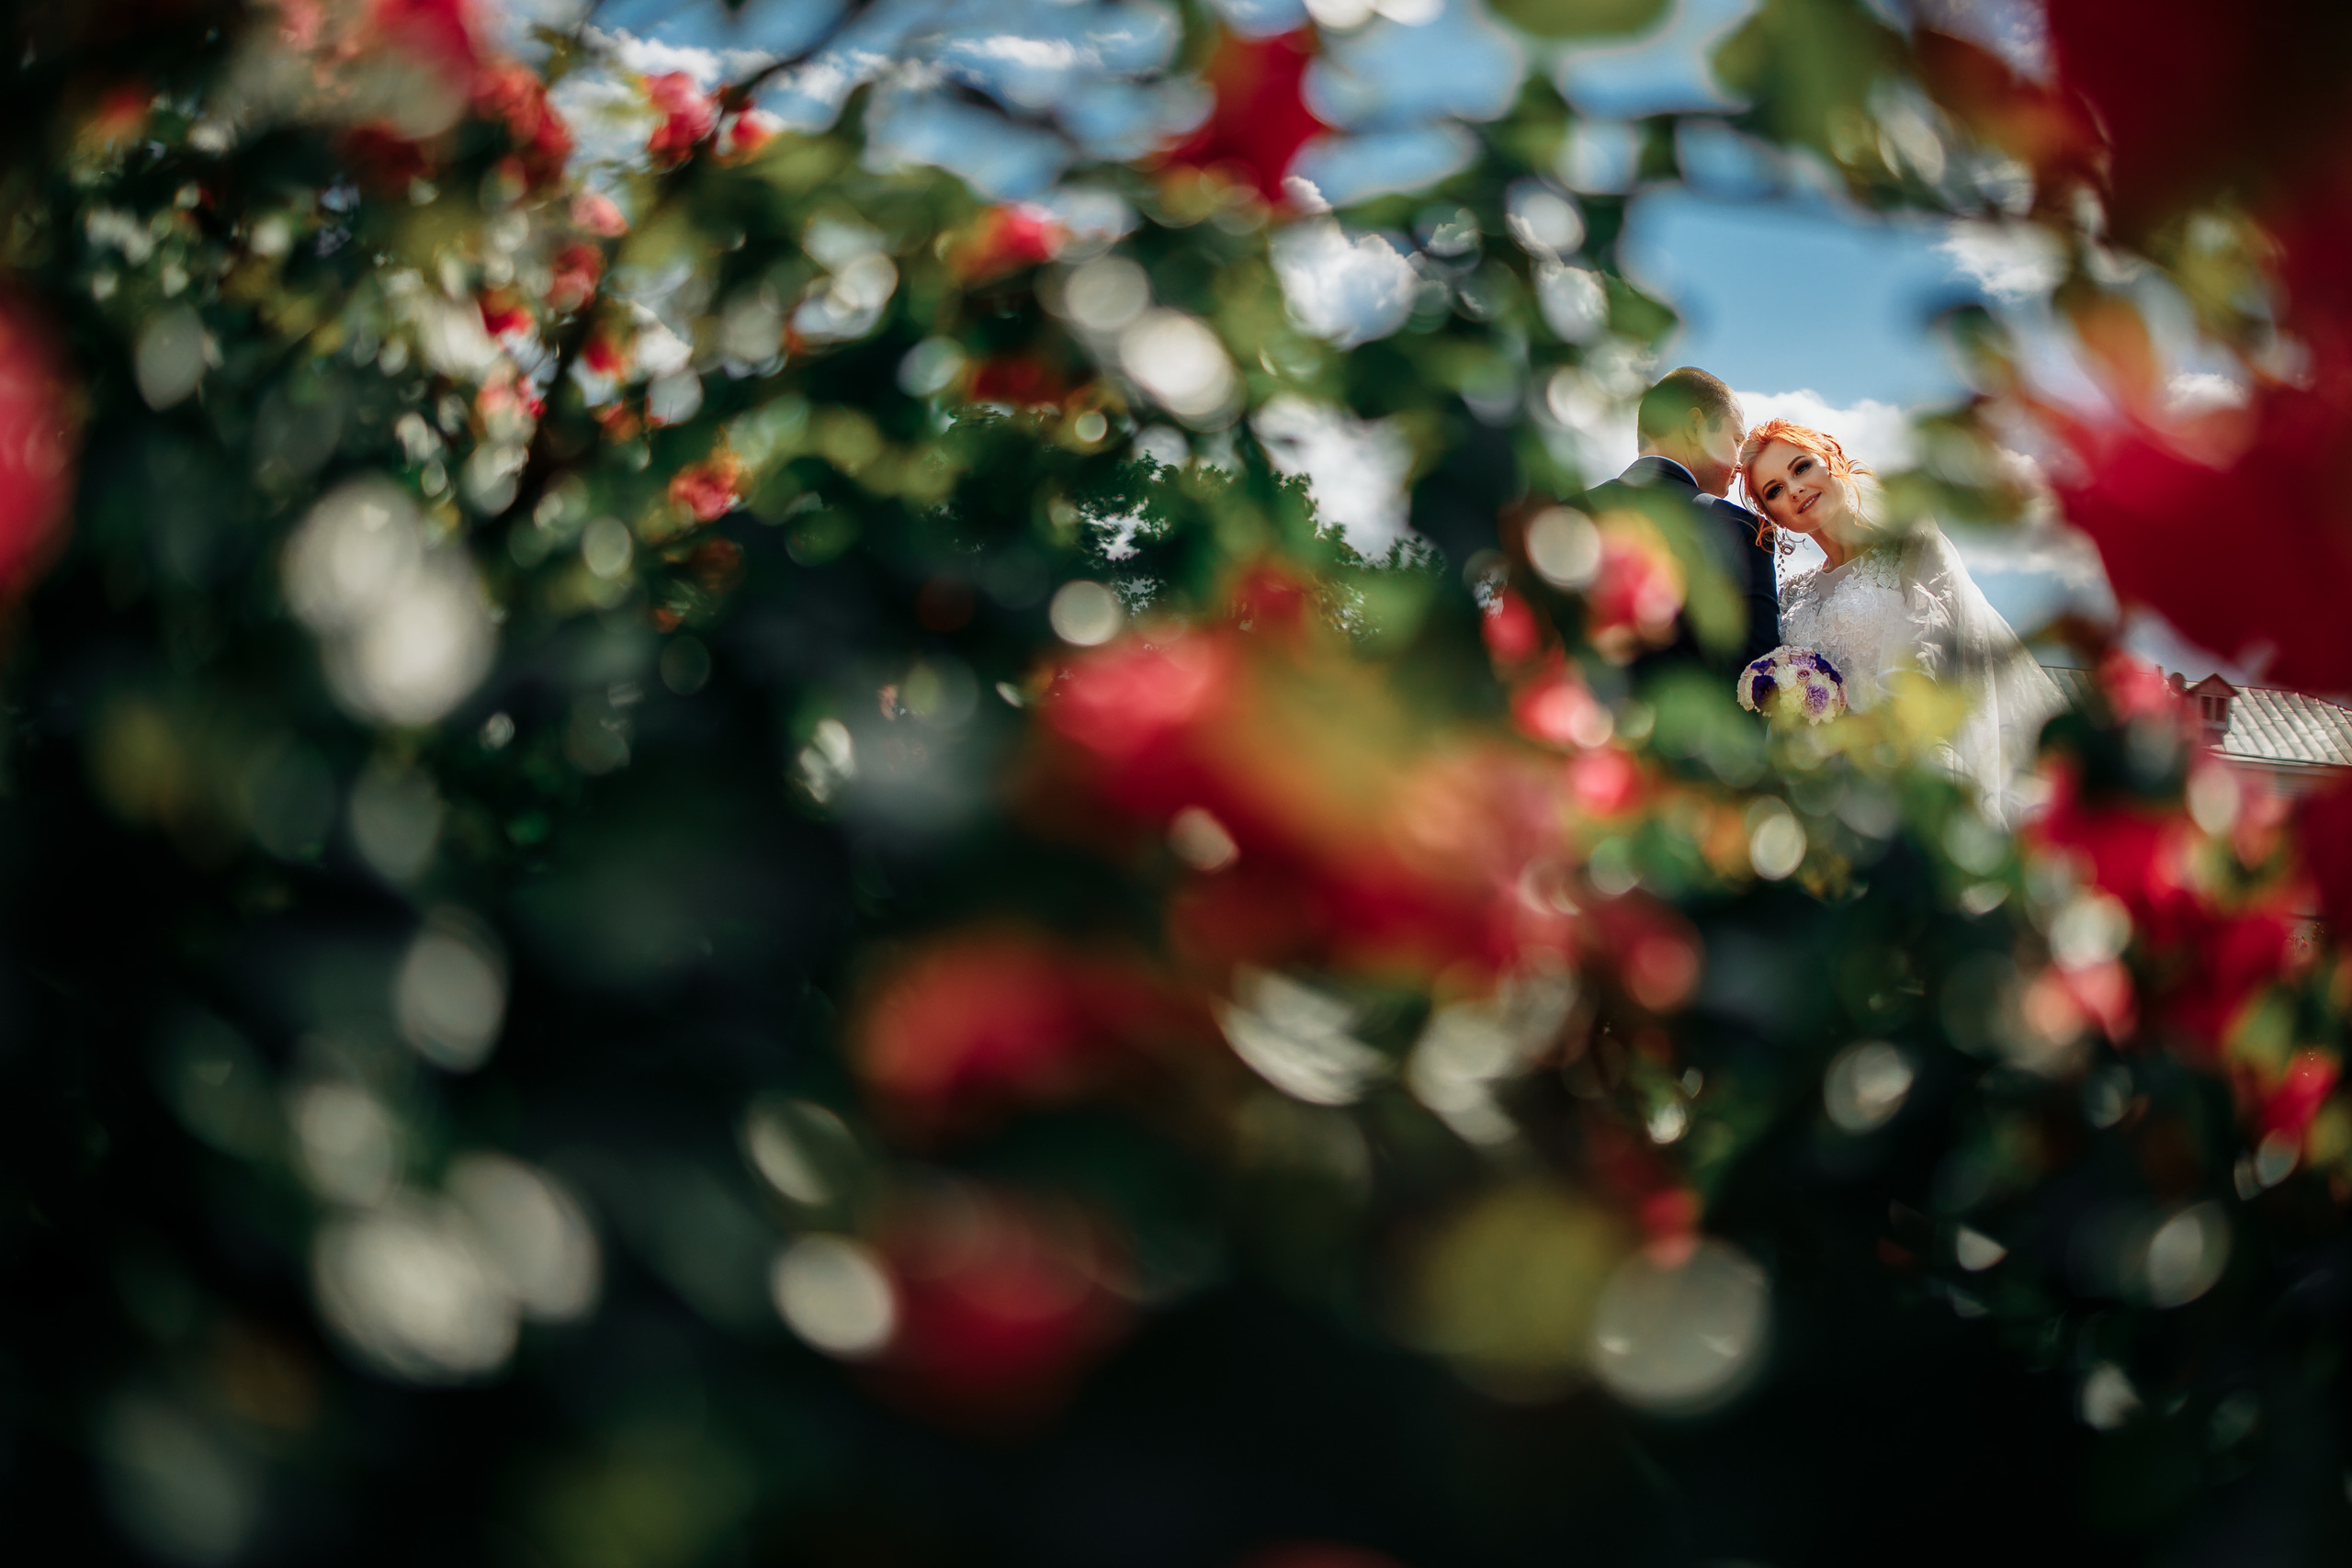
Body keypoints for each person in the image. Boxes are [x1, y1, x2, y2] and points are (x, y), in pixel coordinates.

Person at [1740, 418, 2064, 824]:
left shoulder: (1909, 545)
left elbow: (1930, 658)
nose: (1795, 488)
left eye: (1800, 467)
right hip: (1824, 794)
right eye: (1775, 491)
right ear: (1777, 518)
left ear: (1831, 458)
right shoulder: (1792, 596)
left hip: (1910, 770)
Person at [1580, 367, 1781, 684]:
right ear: (1694, 426)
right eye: (1736, 439)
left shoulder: (1569, 514)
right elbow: (1757, 682)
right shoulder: (1743, 530)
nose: (1740, 463)